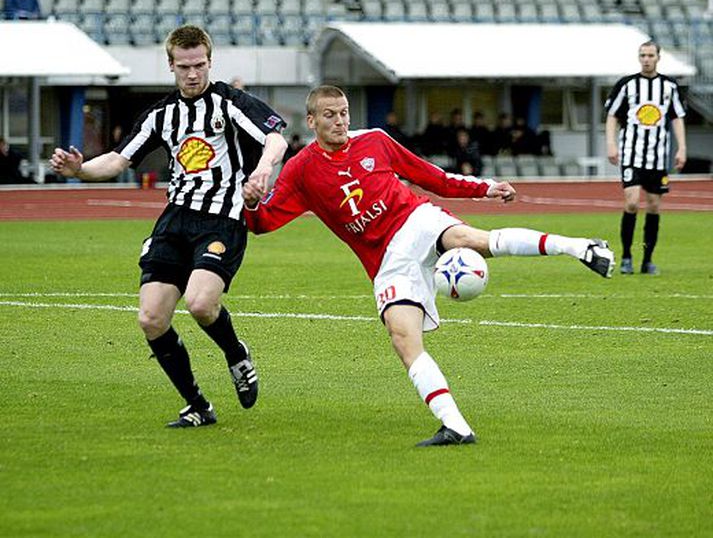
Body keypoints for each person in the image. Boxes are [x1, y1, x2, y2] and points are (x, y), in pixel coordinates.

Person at [242, 85, 614, 447]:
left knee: (473, 241)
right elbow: (264, 222)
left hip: (415, 221)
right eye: (330, 115)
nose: (340, 122)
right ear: (311, 121)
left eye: (344, 114)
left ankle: (579, 247)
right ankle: (456, 427)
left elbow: (431, 177)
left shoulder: (374, 140)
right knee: (403, 338)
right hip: (386, 261)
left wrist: (485, 188)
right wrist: (253, 202)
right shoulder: (302, 169)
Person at [50, 25, 288, 428]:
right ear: (171, 66)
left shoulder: (228, 103)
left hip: (222, 218)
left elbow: (275, 139)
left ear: (210, 62)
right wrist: (80, 169)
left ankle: (236, 354)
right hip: (175, 220)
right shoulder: (161, 115)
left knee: (200, 304)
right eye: (184, 67)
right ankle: (198, 405)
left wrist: (263, 170)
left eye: (200, 65)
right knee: (151, 318)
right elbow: (117, 160)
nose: (193, 74)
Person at [605, 40, 687, 275]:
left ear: (658, 57)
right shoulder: (627, 84)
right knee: (631, 202)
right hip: (632, 154)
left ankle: (647, 259)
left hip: (658, 157)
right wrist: (611, 143)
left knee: (653, 206)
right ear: (638, 57)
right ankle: (627, 256)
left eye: (650, 55)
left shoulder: (669, 86)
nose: (646, 59)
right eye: (643, 55)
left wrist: (682, 148)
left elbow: (677, 118)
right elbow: (612, 115)